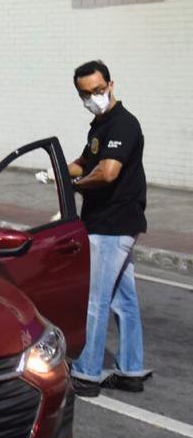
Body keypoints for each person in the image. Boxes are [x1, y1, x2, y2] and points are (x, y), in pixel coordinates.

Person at [67, 60, 149, 397]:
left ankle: (87, 373)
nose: (93, 97)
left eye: (98, 90)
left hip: (111, 224)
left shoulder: (123, 125)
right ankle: (131, 369)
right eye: (85, 93)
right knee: (122, 299)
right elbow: (84, 162)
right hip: (117, 222)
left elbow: (107, 172)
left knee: (94, 300)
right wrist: (56, 169)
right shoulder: (100, 126)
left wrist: (78, 184)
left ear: (111, 85)